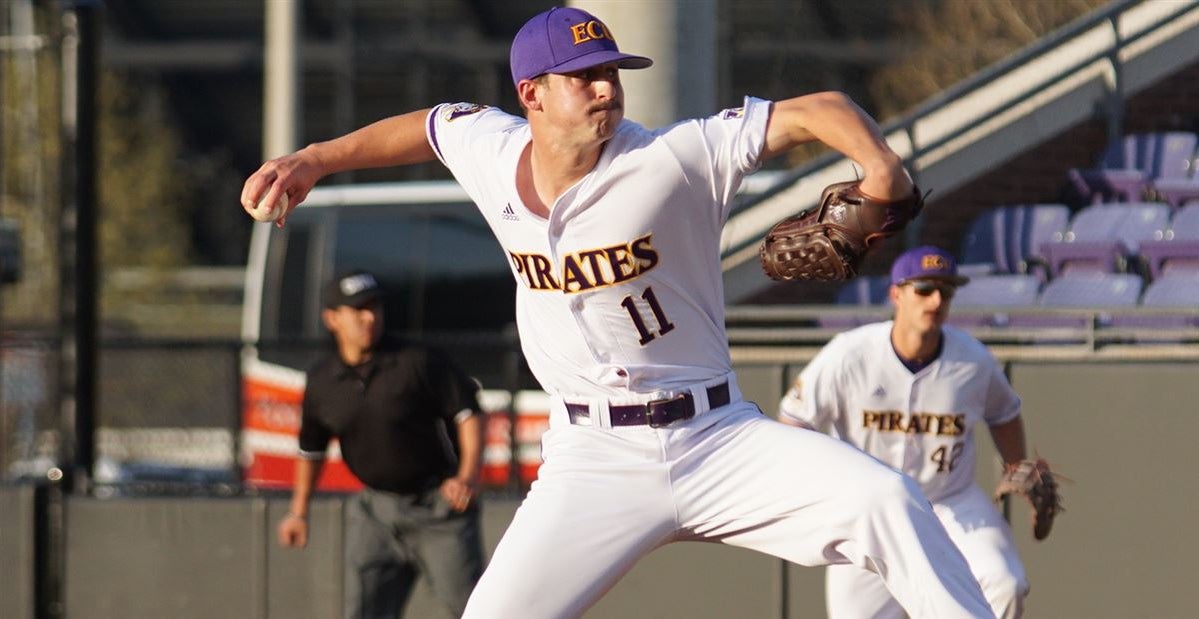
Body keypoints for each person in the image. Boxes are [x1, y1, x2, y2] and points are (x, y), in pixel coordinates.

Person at [246, 7, 995, 618]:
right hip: (592, 457)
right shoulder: (490, 148)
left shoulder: (672, 157)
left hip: (715, 437)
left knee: (886, 500)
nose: (607, 88)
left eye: (611, 73)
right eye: (585, 78)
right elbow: (427, 126)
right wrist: (313, 158)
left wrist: (882, 171)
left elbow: (818, 110)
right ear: (532, 94)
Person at [778, 245, 1032, 618]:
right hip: (867, 507)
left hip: (950, 503)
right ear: (896, 294)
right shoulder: (851, 354)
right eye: (924, 289)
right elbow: (794, 420)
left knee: (1003, 583)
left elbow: (1005, 413)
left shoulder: (972, 360)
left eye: (945, 291)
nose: (936, 300)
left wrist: (1016, 466)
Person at [277, 269, 485, 619]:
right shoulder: (322, 380)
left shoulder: (416, 360)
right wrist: (299, 512)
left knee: (480, 611)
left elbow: (468, 414)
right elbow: (311, 449)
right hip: (375, 512)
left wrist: (467, 475)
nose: (369, 317)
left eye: (374, 307)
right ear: (332, 319)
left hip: (437, 508)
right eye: (357, 310)